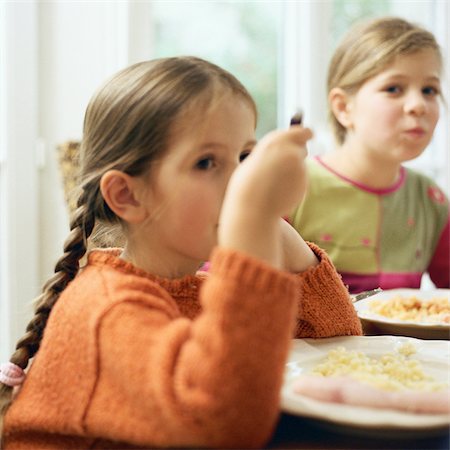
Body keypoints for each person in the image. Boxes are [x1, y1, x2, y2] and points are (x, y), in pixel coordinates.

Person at [0, 56, 362, 450]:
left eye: (244, 158)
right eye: (206, 162)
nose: (238, 182)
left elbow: (337, 339)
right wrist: (251, 220)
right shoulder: (106, 310)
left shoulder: (194, 290)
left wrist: (271, 222)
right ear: (127, 195)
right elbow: (222, 426)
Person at [289, 17, 450, 294]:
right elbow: (224, 278)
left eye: (429, 90)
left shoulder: (430, 200)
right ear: (343, 108)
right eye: (394, 88)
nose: (418, 105)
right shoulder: (291, 188)